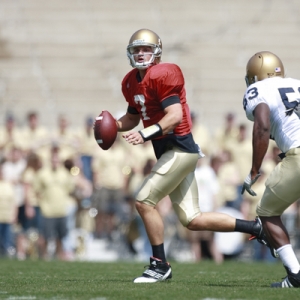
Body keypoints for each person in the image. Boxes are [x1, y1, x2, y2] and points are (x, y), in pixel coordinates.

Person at [113, 29, 269, 283]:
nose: (141, 54)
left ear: (157, 52)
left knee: (143, 201)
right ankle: (255, 227)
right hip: (168, 151)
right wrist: (112, 125)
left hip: (180, 149)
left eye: (146, 49)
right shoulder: (130, 81)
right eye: (137, 49)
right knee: (193, 219)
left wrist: (144, 135)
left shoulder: (163, 74)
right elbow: (132, 117)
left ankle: (159, 265)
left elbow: (174, 116)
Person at [241, 51, 300, 288]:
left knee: (266, 213)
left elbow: (262, 125)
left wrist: (255, 168)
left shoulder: (258, 90)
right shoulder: (296, 84)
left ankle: (295, 275)